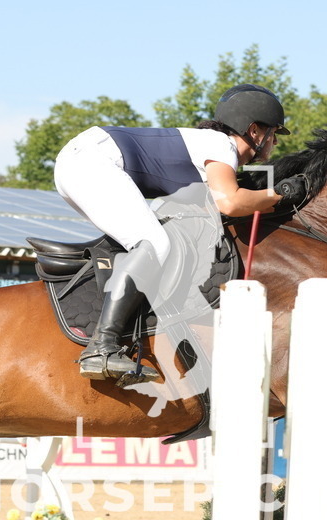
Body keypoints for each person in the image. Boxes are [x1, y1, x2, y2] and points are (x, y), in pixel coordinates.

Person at [54, 84, 306, 385]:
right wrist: (278, 196)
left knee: (145, 243)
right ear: (254, 131)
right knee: (153, 243)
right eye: (274, 133)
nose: (275, 143)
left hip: (80, 162)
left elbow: (206, 208)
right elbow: (231, 201)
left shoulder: (209, 149)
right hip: (92, 162)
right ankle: (102, 347)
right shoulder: (222, 145)